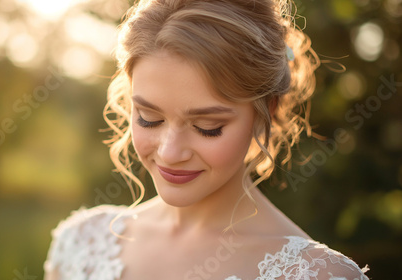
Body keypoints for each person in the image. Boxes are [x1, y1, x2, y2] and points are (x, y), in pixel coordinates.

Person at [43, 0, 370, 279]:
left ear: (264, 112)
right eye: (149, 118)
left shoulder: (317, 274)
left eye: (208, 126)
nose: (170, 153)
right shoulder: (80, 245)